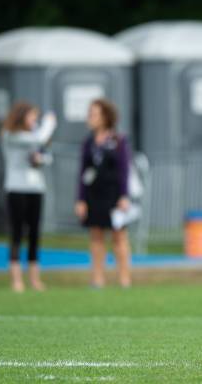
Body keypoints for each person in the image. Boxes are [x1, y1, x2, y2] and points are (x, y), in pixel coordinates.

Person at [75, 99, 132, 288]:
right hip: (94, 195)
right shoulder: (88, 142)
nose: (90, 117)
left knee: (119, 237)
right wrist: (81, 199)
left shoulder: (118, 140)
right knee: (96, 237)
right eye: (89, 113)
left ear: (105, 117)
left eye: (94, 114)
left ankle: (124, 279)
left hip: (114, 195)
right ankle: (98, 279)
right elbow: (83, 172)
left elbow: (124, 170)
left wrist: (124, 196)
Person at [1, 102, 57, 292]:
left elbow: (47, 156)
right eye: (32, 117)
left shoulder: (32, 136)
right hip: (16, 188)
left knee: (34, 234)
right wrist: (49, 123)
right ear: (21, 116)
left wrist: (39, 159)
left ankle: (34, 279)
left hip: (35, 188)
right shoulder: (10, 134)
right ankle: (16, 280)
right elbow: (39, 138)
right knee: (17, 233)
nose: (35, 120)